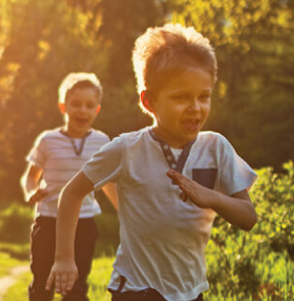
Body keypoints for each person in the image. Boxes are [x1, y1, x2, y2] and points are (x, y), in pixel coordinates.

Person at [46, 23, 258, 301]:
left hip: (190, 290)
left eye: (203, 96)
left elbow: (248, 217)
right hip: (135, 289)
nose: (195, 107)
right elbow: (72, 193)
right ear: (149, 102)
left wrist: (212, 198)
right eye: (181, 97)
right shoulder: (126, 149)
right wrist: (64, 258)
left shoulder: (216, 147)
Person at [21, 72, 118, 301]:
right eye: (75, 104)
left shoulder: (102, 142)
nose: (82, 111)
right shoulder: (48, 140)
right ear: (63, 107)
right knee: (43, 284)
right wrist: (30, 193)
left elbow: (109, 183)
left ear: (97, 109)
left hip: (84, 223)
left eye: (88, 105)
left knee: (76, 287)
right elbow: (30, 176)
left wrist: (126, 213)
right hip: (48, 220)